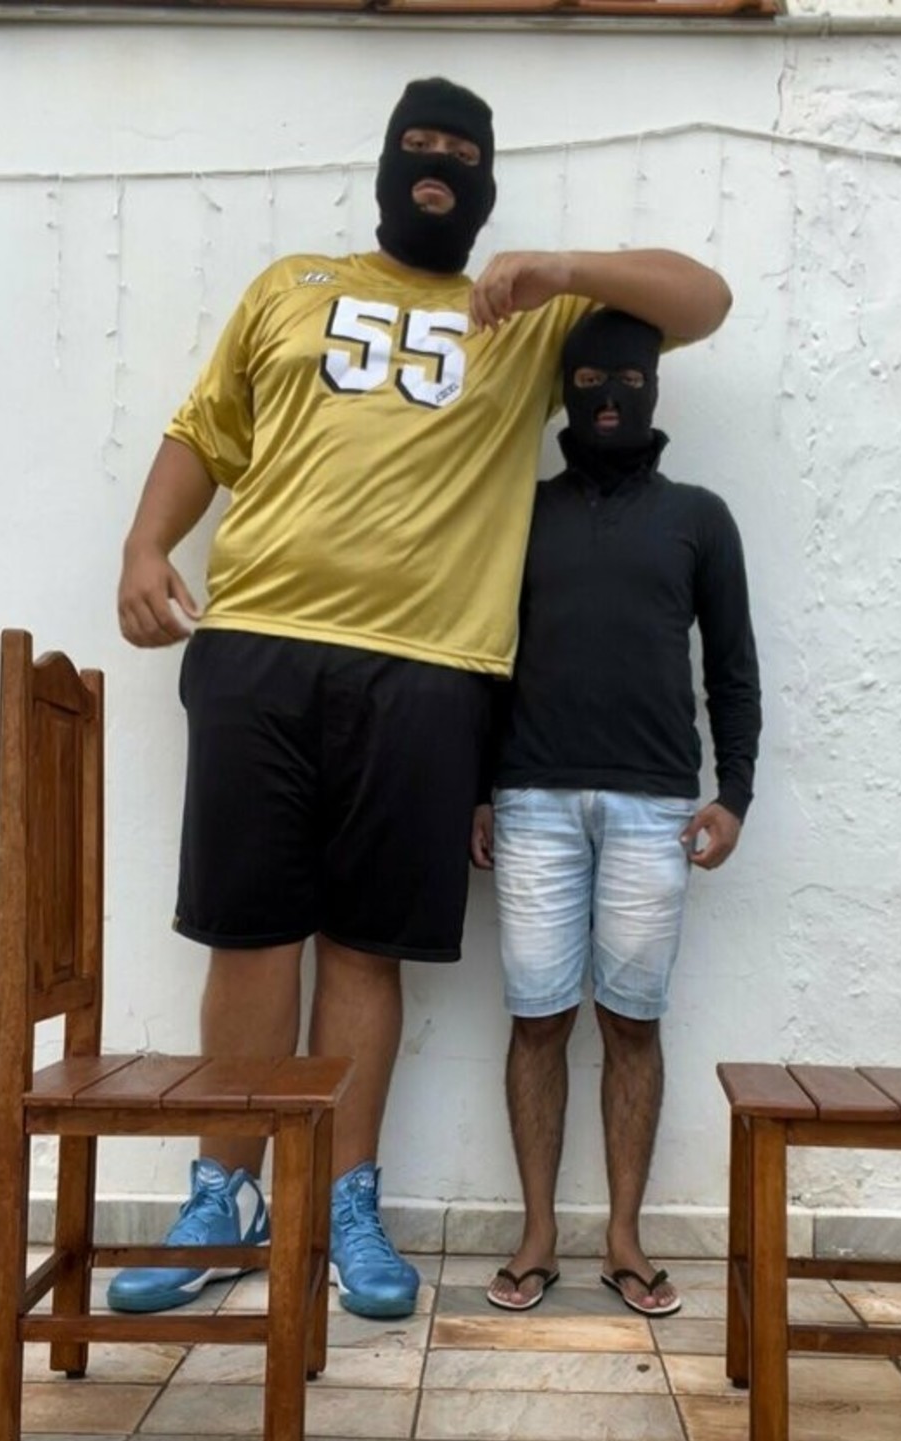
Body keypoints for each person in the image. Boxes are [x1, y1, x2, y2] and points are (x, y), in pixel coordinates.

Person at [109, 77, 733, 1321]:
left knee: (365, 945)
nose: (437, 162)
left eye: (461, 150)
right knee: (249, 934)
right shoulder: (289, 286)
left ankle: (347, 1202)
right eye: (419, 144)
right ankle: (222, 1197)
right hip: (261, 645)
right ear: (388, 163)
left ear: (486, 181)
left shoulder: (527, 322)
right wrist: (143, 544)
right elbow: (206, 431)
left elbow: (702, 297)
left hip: (433, 669)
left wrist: (558, 270)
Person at [472, 307, 761, 1316]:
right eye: (590, 381)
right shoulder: (521, 512)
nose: (608, 398)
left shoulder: (700, 518)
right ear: (565, 390)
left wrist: (735, 795)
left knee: (632, 1023)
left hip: (656, 808)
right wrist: (478, 789)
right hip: (532, 801)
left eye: (629, 381)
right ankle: (537, 1235)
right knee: (537, 1018)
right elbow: (486, 661)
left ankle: (625, 1238)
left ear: (653, 388)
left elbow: (733, 668)